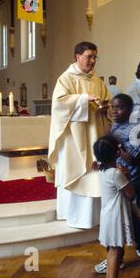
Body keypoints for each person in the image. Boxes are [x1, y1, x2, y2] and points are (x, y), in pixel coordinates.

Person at [48, 41, 112, 229]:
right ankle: (75, 217)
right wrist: (84, 100)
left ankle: (93, 218)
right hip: (73, 140)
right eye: (89, 56)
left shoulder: (97, 80)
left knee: (93, 176)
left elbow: (107, 101)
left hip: (95, 134)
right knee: (77, 172)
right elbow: (59, 104)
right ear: (77, 57)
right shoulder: (66, 79)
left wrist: (106, 106)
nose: (92, 61)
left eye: (95, 57)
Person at [94, 94, 140, 275]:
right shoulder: (114, 125)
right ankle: (119, 256)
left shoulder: (134, 129)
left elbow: (137, 159)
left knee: (127, 216)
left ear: (129, 110)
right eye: (112, 107)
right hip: (118, 177)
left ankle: (129, 251)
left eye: (119, 107)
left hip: (132, 178)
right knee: (125, 217)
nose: (114, 110)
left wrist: (119, 152)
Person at [93, 135, 136, 278]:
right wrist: (127, 174)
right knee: (116, 251)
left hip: (108, 215)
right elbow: (130, 194)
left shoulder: (103, 171)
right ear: (117, 153)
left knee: (113, 250)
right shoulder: (116, 174)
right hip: (116, 217)